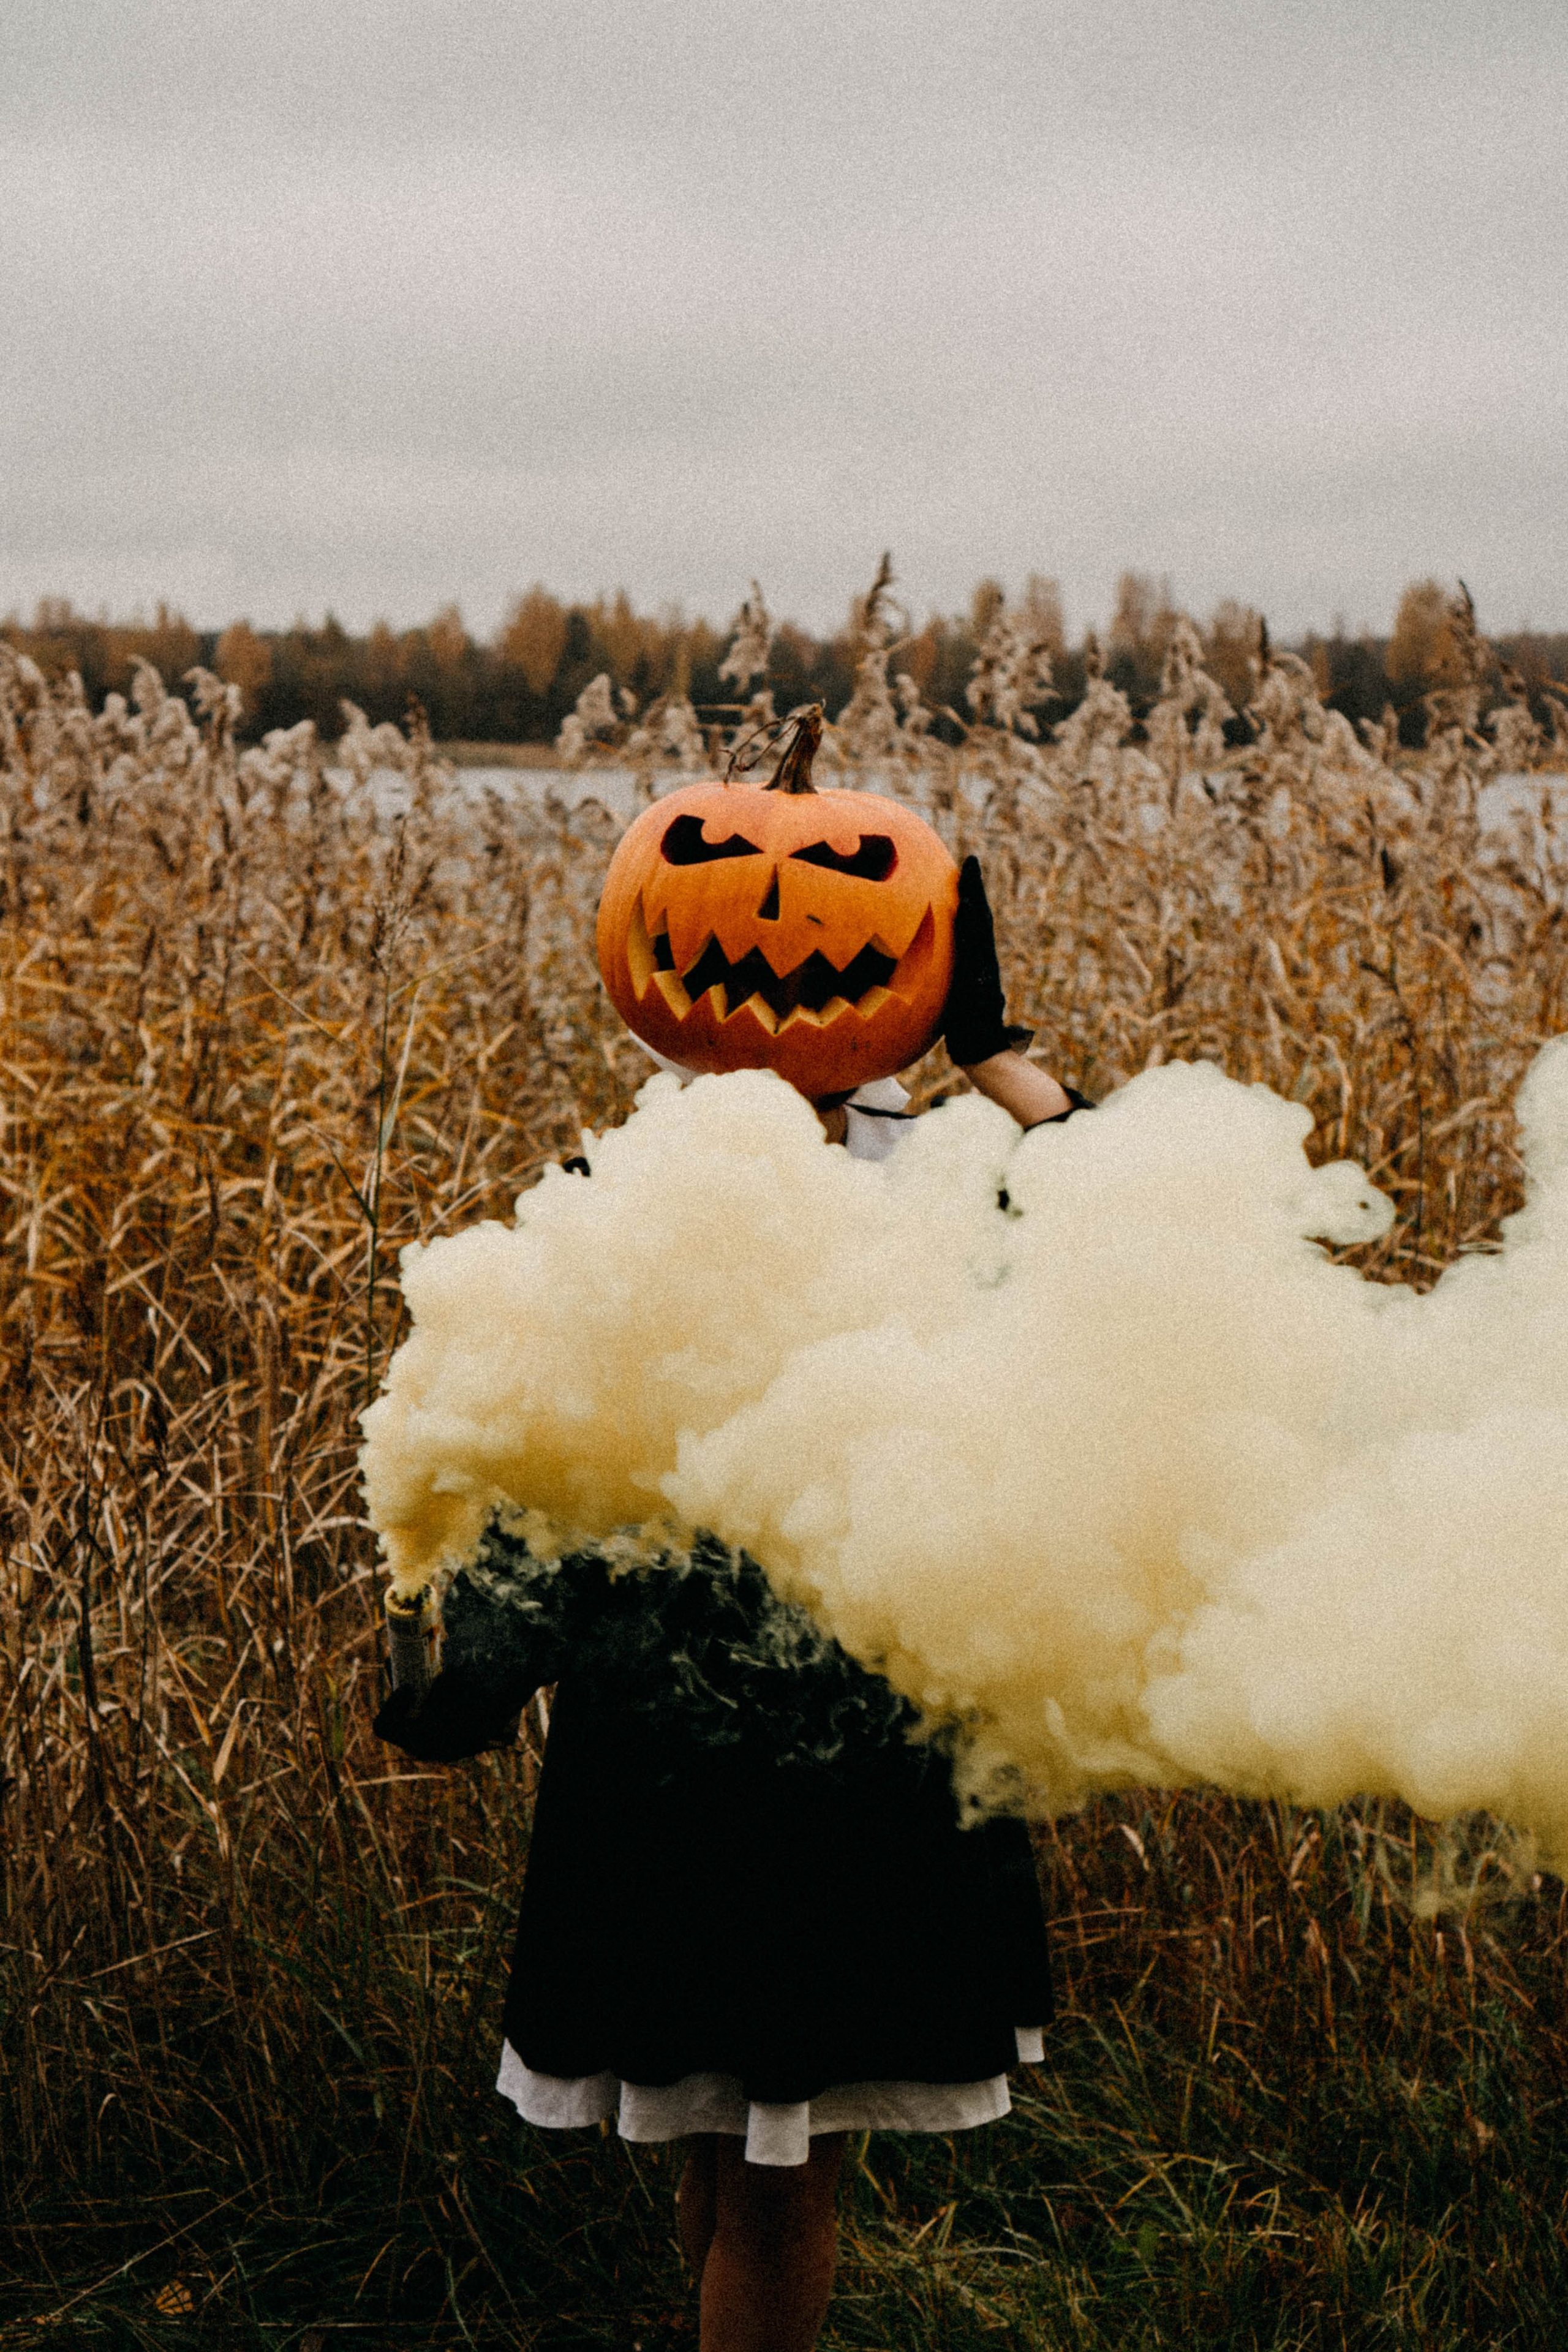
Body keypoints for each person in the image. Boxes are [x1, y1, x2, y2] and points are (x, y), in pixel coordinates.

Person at [374, 856, 1091, 2352]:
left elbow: (1139, 1228)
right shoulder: (642, 1189)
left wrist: (988, 1053)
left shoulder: (927, 1182)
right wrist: (471, 1674)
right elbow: (552, 1471)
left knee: (766, 2174)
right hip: (702, 1751)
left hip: (832, 1755)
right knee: (733, 2158)